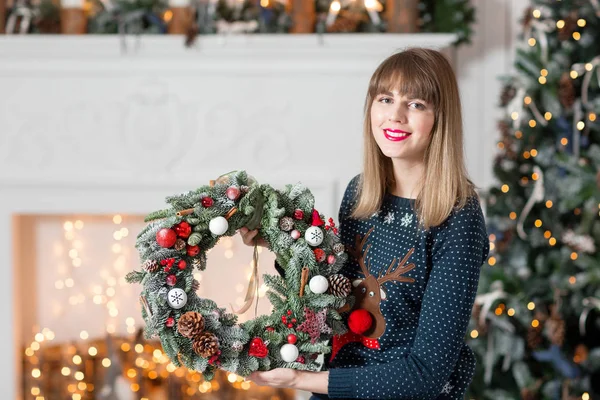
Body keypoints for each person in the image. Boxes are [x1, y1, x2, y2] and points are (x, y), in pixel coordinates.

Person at [238, 47, 490, 400]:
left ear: (440, 118)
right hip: (337, 383)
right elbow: (333, 295)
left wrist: (299, 380)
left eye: (416, 104)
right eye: (385, 99)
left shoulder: (457, 216)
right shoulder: (360, 193)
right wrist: (280, 242)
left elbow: (424, 376)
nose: (396, 116)